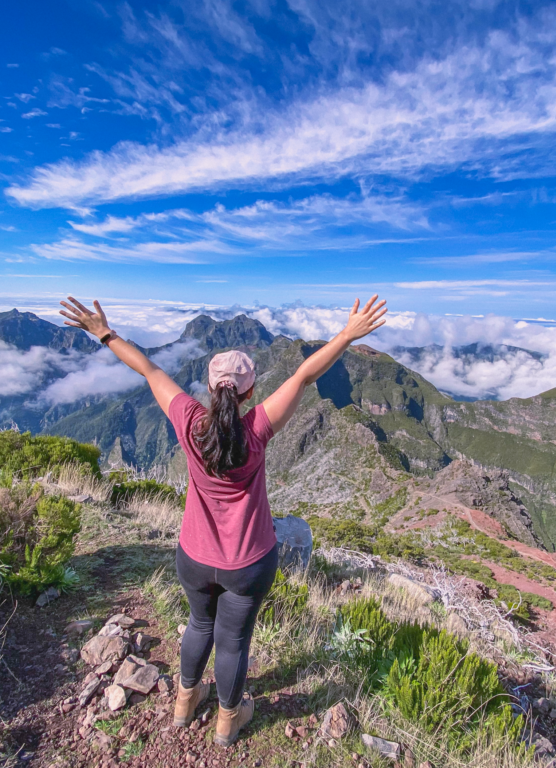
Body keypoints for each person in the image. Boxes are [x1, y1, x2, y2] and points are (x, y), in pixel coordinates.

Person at [58, 294, 388, 746]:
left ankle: (183, 702)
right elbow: (304, 375)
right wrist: (347, 336)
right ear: (249, 392)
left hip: (194, 556)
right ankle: (228, 722)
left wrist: (104, 333)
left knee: (199, 625)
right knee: (233, 642)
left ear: (210, 389)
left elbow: (151, 370)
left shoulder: (190, 421)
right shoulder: (257, 429)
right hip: (248, 562)